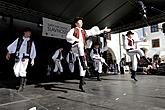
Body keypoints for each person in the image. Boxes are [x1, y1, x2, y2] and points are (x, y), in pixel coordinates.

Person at [66, 17, 111, 92]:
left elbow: (94, 32)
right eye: (80, 21)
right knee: (80, 44)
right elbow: (68, 37)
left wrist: (104, 30)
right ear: (76, 23)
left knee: (82, 68)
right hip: (75, 47)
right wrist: (77, 39)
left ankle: (81, 84)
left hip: (81, 51)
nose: (82, 23)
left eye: (82, 22)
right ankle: (84, 64)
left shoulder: (84, 31)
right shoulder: (73, 30)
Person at [6, 27, 36, 92]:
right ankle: (24, 79)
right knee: (16, 70)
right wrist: (8, 53)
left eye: (30, 33)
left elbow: (33, 50)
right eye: (28, 32)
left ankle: (21, 86)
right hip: (18, 56)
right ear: (25, 32)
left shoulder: (31, 42)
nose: (29, 34)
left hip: (25, 58)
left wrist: (33, 59)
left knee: (22, 71)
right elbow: (13, 46)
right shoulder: (19, 39)